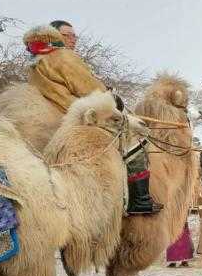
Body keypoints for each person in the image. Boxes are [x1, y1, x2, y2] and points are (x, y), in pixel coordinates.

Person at [22, 24, 162, 215]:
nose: (73, 39)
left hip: (53, 117)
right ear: (55, 36)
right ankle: (139, 200)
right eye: (67, 35)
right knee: (136, 139)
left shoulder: (34, 63)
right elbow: (90, 88)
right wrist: (112, 98)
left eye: (74, 36)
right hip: (79, 115)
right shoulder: (63, 56)